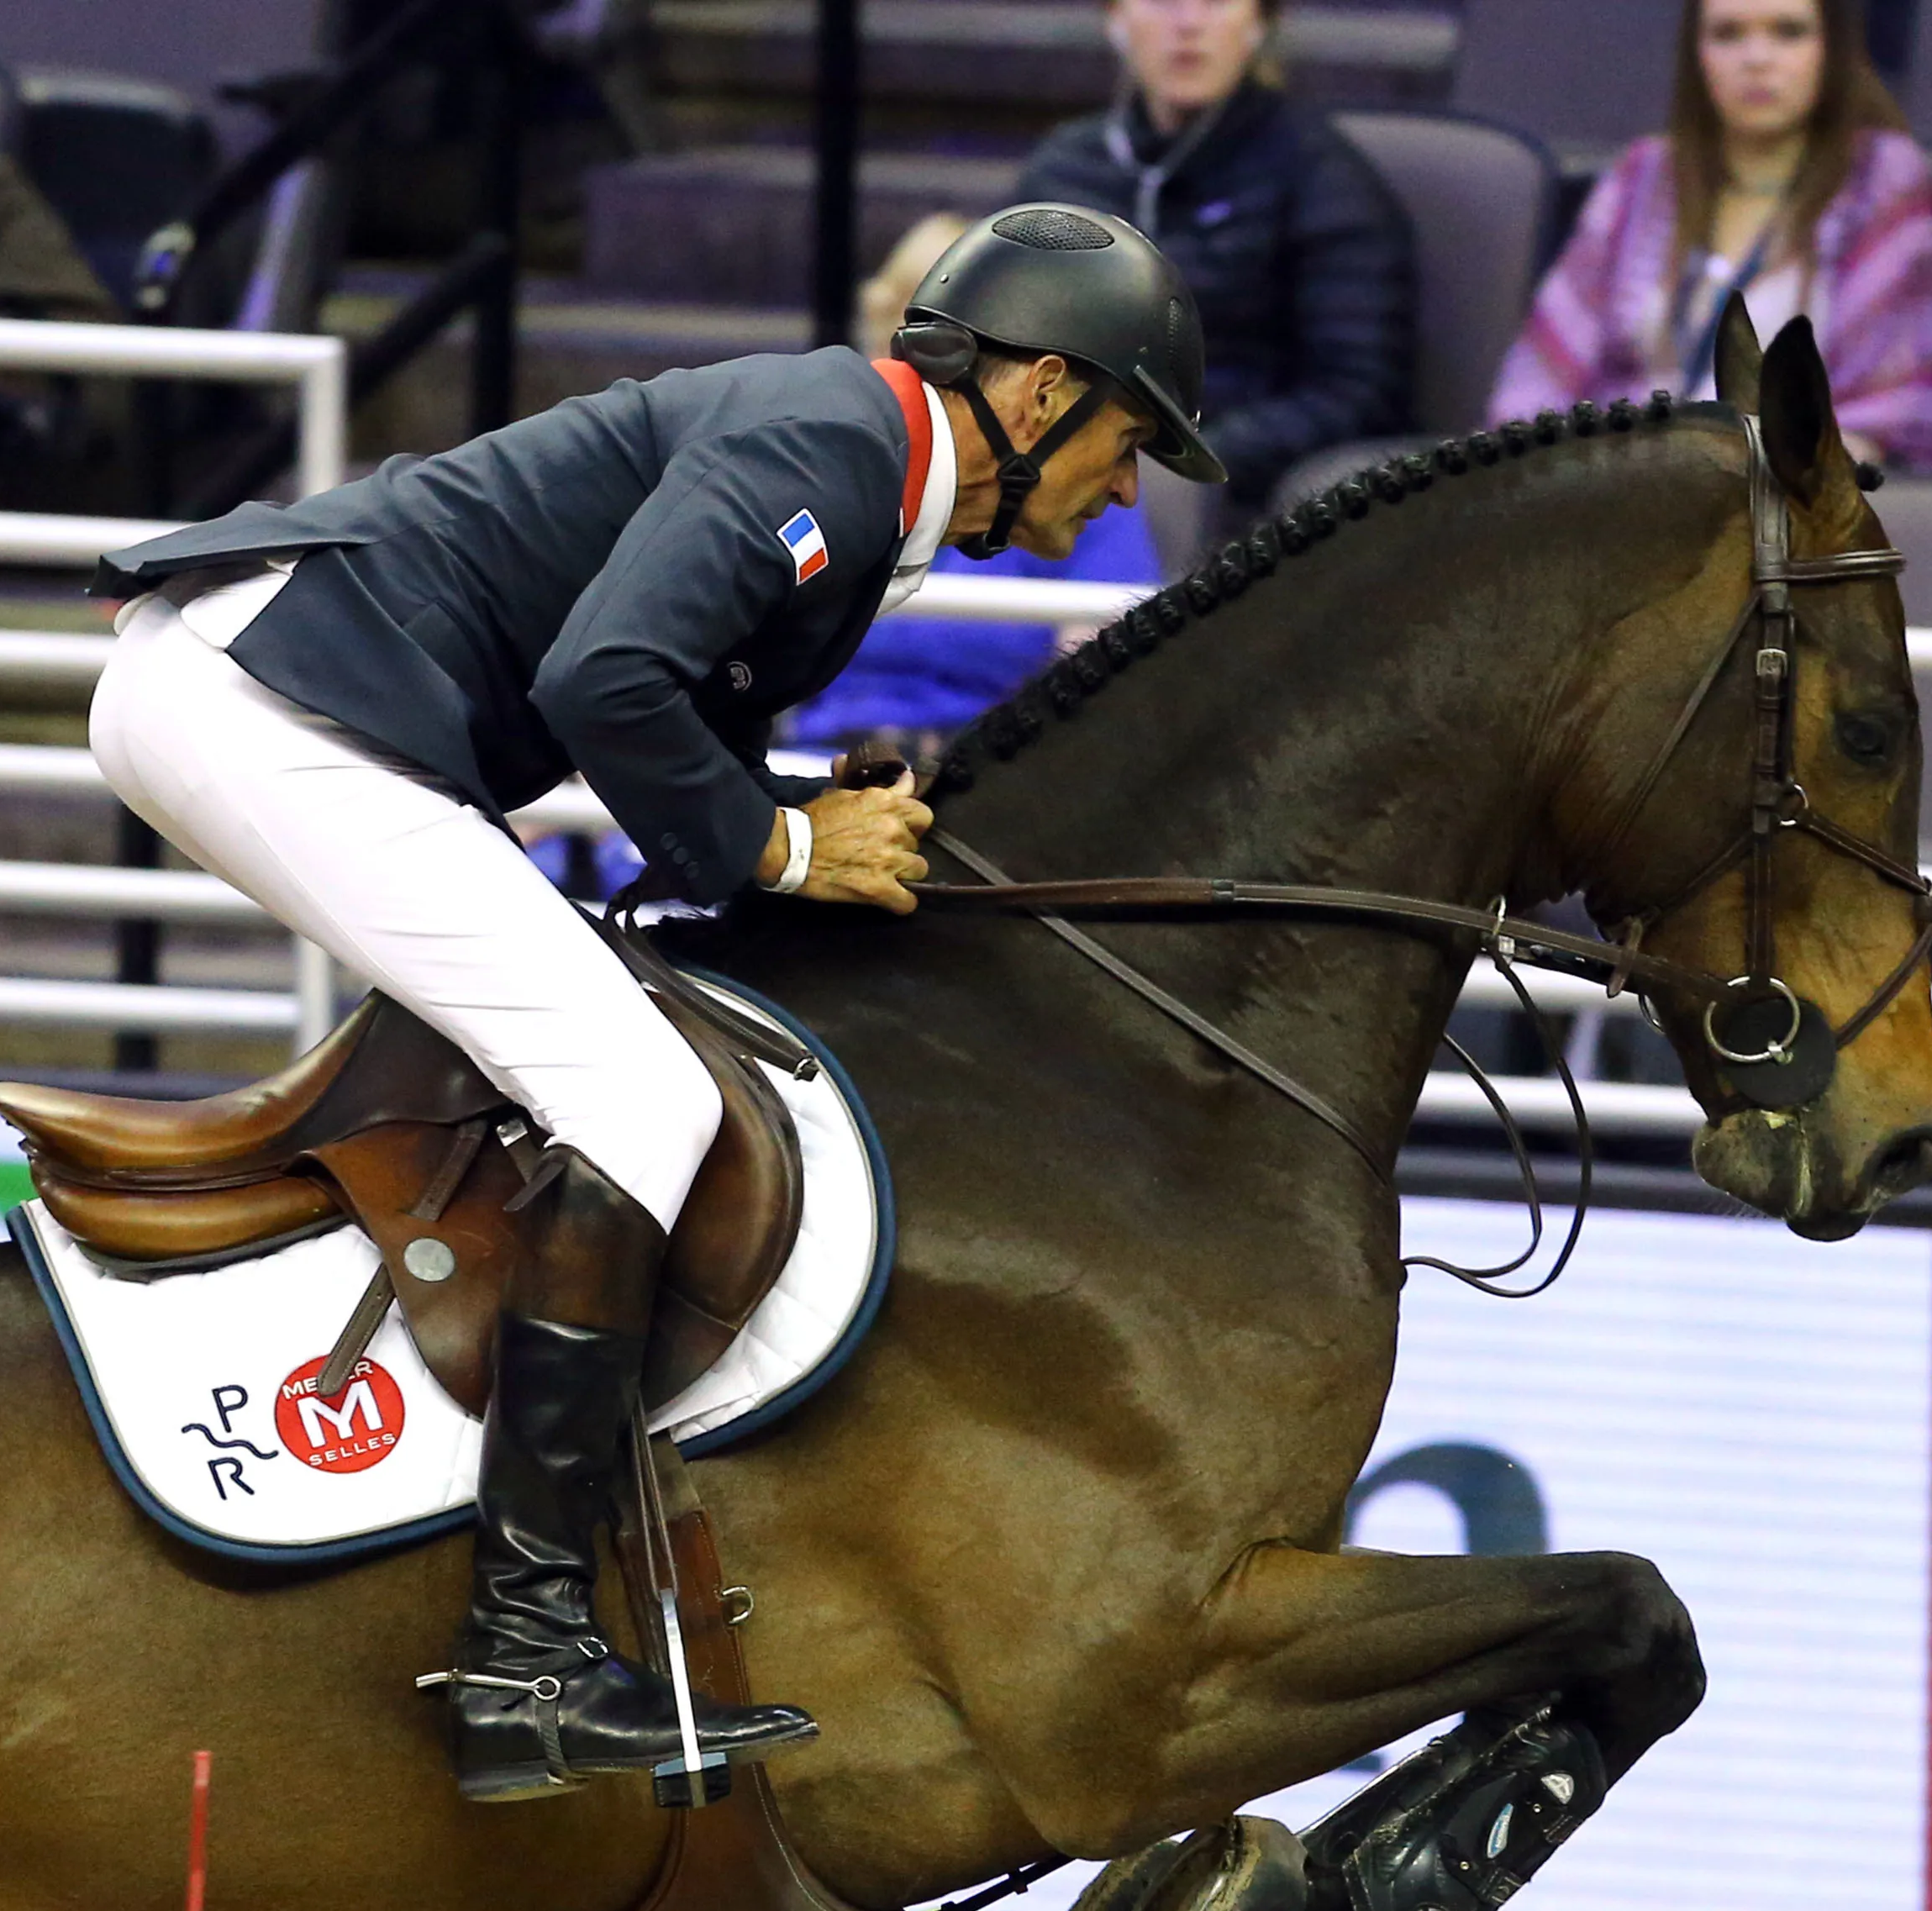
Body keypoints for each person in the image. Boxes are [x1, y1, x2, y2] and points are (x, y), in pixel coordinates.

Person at [87, 208, 1220, 1803]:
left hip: (282, 692)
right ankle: (525, 1654)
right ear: (1037, 395)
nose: (1129, 484)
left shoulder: (859, 474)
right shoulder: (835, 439)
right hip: (270, 699)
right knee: (640, 1098)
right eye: (1129, 438)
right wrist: (777, 840)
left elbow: (639, 695)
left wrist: (790, 820)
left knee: (607, 1061)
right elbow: (607, 680)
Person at [1487, 0, 1932, 472]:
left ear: (1833, 49)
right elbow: (1540, 378)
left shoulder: (1884, 182)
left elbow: (1894, 416)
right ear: (1696, 53)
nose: (1756, 59)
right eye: (1729, 34)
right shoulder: (1643, 176)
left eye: (1788, 32)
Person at [1008, 0, 1409, 523]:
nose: (1189, 23)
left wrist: (1182, 455)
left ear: (1261, 23)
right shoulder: (1062, 173)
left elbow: (1360, 393)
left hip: (1235, 498)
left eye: (1216, 1)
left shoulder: (1323, 180)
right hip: (1058, 472)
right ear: (1115, 19)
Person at [787, 213, 1162, 757]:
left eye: (970, 348)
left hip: (989, 777)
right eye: (914, 334)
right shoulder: (830, 458)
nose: (939, 369)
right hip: (817, 761)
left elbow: (1108, 652)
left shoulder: (1087, 485)